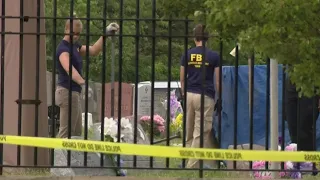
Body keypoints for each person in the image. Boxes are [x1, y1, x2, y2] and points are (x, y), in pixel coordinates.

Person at [55, 17, 119, 138]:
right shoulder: (63, 49)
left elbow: (94, 50)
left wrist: (104, 34)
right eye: (73, 33)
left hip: (74, 93)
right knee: (66, 133)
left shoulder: (75, 46)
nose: (76, 36)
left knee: (77, 132)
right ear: (66, 29)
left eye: (78, 34)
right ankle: (56, 157)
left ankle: (71, 157)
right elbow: (70, 69)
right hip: (66, 92)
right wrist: (83, 83)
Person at [179, 24, 221, 168]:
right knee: (201, 131)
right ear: (207, 38)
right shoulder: (214, 56)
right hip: (205, 95)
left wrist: (184, 94)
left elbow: (182, 78)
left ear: (194, 37)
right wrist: (219, 96)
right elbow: (217, 80)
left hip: (190, 93)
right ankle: (191, 165)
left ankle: (185, 160)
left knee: (189, 130)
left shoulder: (187, 54)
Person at [285, 77, 319, 151]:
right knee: (292, 127)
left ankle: (308, 160)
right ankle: (296, 158)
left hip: (310, 83)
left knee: (304, 127)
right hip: (292, 80)